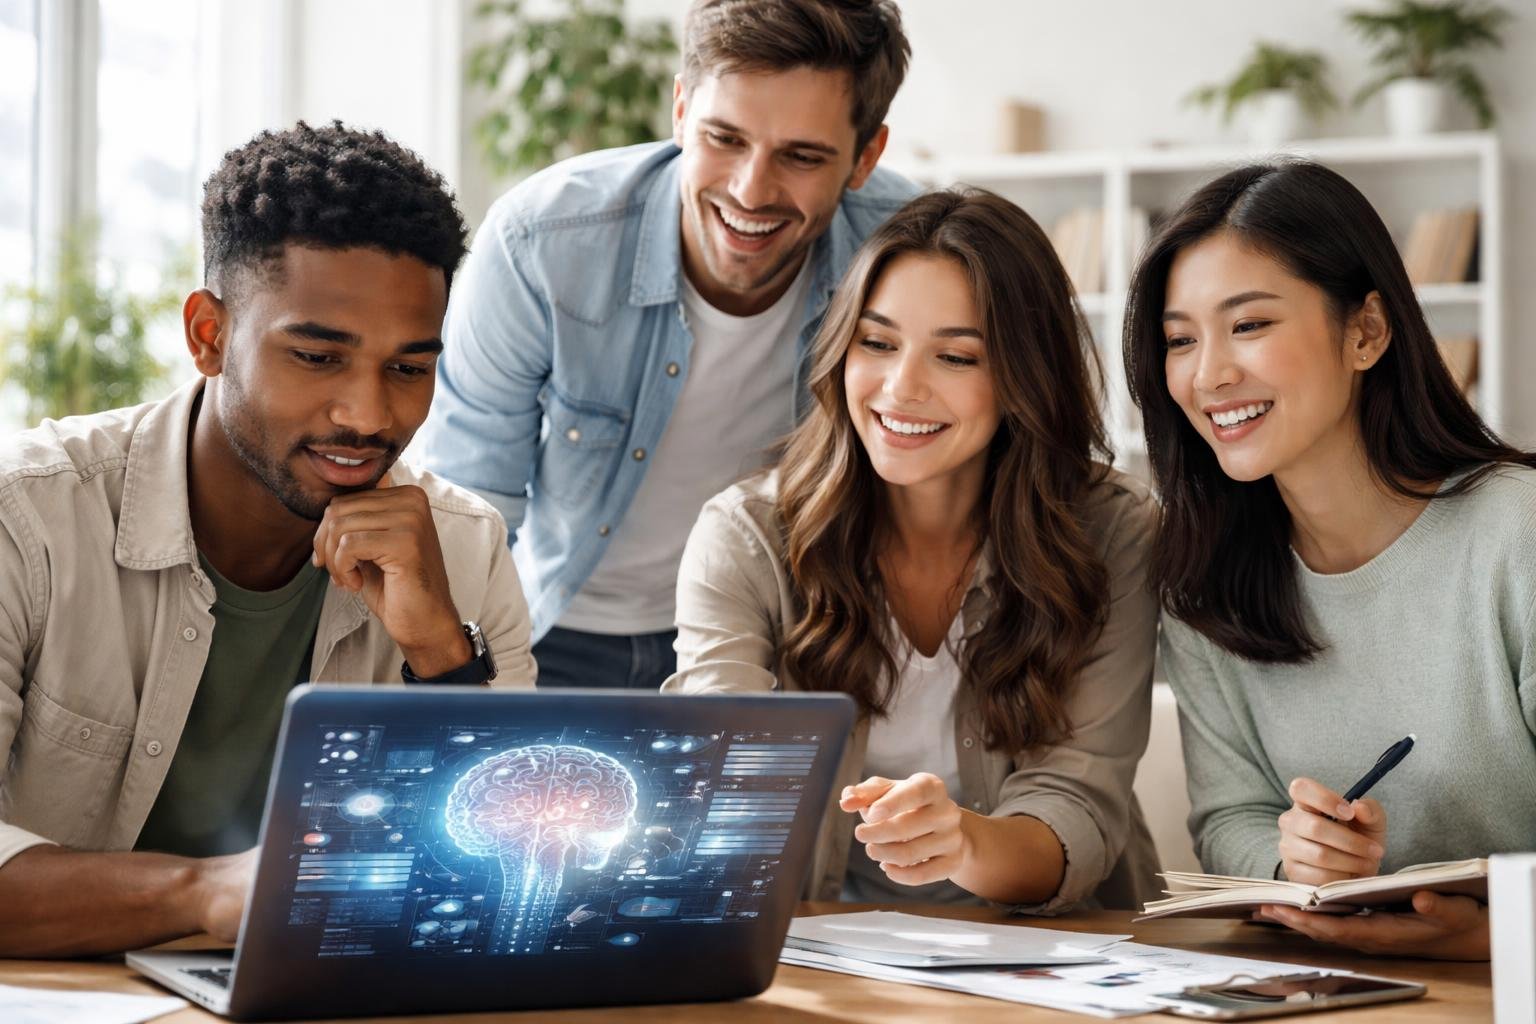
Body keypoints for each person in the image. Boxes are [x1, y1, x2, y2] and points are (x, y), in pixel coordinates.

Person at [0, 122, 536, 958]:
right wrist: (210, 893)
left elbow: (519, 877)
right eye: (319, 357)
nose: (369, 416)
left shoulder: (462, 548)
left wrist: (443, 657)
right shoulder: (26, 519)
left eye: (409, 368)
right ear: (209, 336)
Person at [664, 190, 1160, 911]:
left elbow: (1077, 805)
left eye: (956, 356)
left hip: (1055, 951)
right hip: (819, 948)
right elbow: (715, 780)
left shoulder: (1111, 532)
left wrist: (962, 843)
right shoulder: (745, 536)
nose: (901, 389)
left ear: (1027, 376)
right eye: (876, 342)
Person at [418, 0, 917, 689]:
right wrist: (465, 688)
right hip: (558, 631)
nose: (751, 190)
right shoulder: (541, 243)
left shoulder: (905, 252)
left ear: (865, 157)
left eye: (802, 156)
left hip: (778, 634)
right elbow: (471, 507)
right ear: (680, 110)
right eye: (725, 138)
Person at [1123, 160, 1536, 960]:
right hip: (1333, 980)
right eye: (1180, 340)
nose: (1208, 374)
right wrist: (1295, 862)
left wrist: (1492, 937)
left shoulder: (1516, 532)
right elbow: (1230, 817)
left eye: (1249, 325)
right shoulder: (1202, 575)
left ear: (1366, 332)